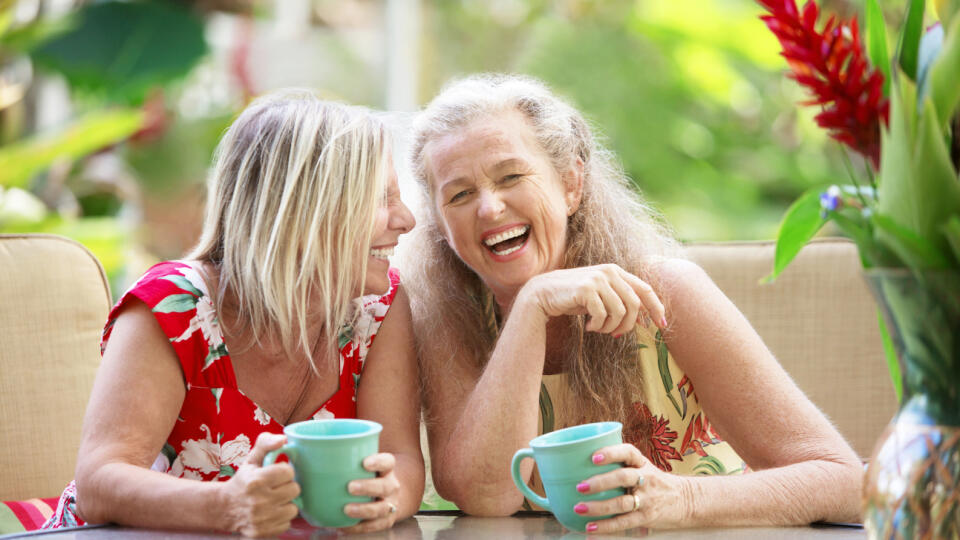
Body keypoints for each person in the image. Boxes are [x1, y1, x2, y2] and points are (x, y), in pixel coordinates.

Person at [403, 74, 863, 533]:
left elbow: (845, 482)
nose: (489, 208)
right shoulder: (448, 322)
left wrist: (682, 499)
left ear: (571, 185)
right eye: (460, 194)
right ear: (441, 226)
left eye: (512, 176)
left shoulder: (666, 291)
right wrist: (532, 306)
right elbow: (487, 496)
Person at [43, 89, 423, 537]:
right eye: (382, 199)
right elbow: (101, 483)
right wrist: (225, 506)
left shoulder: (377, 308)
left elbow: (402, 461)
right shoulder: (173, 307)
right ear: (302, 211)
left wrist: (384, 498)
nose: (407, 220)